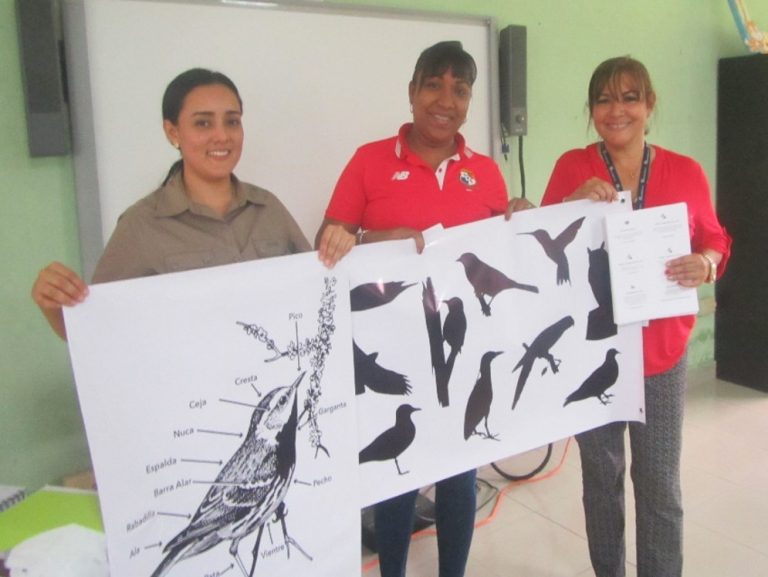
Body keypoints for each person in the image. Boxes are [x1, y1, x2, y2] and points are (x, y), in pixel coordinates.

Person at [315, 41, 533, 577]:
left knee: (459, 476)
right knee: (397, 478)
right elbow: (327, 242)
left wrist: (522, 220)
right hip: (392, 352)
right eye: (433, 85)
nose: (445, 100)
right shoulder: (368, 161)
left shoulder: (485, 172)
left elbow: (499, 254)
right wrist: (370, 239)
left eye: (460, 90)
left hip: (462, 349)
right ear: (412, 92)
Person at [541, 56, 732, 577]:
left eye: (629, 98)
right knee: (601, 483)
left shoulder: (685, 171)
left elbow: (715, 239)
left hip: (661, 354)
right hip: (594, 352)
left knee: (660, 485)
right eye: (603, 99)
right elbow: (543, 248)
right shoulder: (572, 167)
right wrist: (571, 204)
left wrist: (706, 263)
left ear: (649, 104)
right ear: (591, 110)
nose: (616, 110)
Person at [32, 68, 354, 340]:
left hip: (274, 382)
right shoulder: (141, 225)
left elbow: (317, 294)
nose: (222, 136)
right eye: (203, 123)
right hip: (191, 393)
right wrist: (54, 305)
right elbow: (98, 332)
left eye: (232, 121)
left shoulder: (268, 209)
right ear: (172, 132)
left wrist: (340, 252)